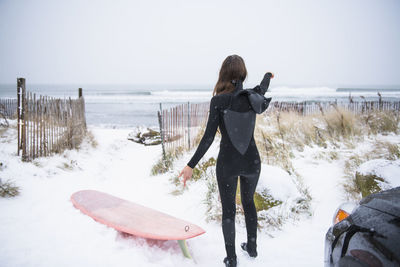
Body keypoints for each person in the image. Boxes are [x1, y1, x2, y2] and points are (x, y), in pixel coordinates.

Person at [178, 55, 273, 267]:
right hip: (252, 161)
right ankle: (252, 247)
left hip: (228, 163)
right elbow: (263, 87)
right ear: (243, 74)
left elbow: (209, 137)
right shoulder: (253, 97)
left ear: (223, 74)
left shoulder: (219, 101)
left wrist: (190, 165)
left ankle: (231, 259)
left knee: (229, 210)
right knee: (249, 203)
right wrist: (268, 76)